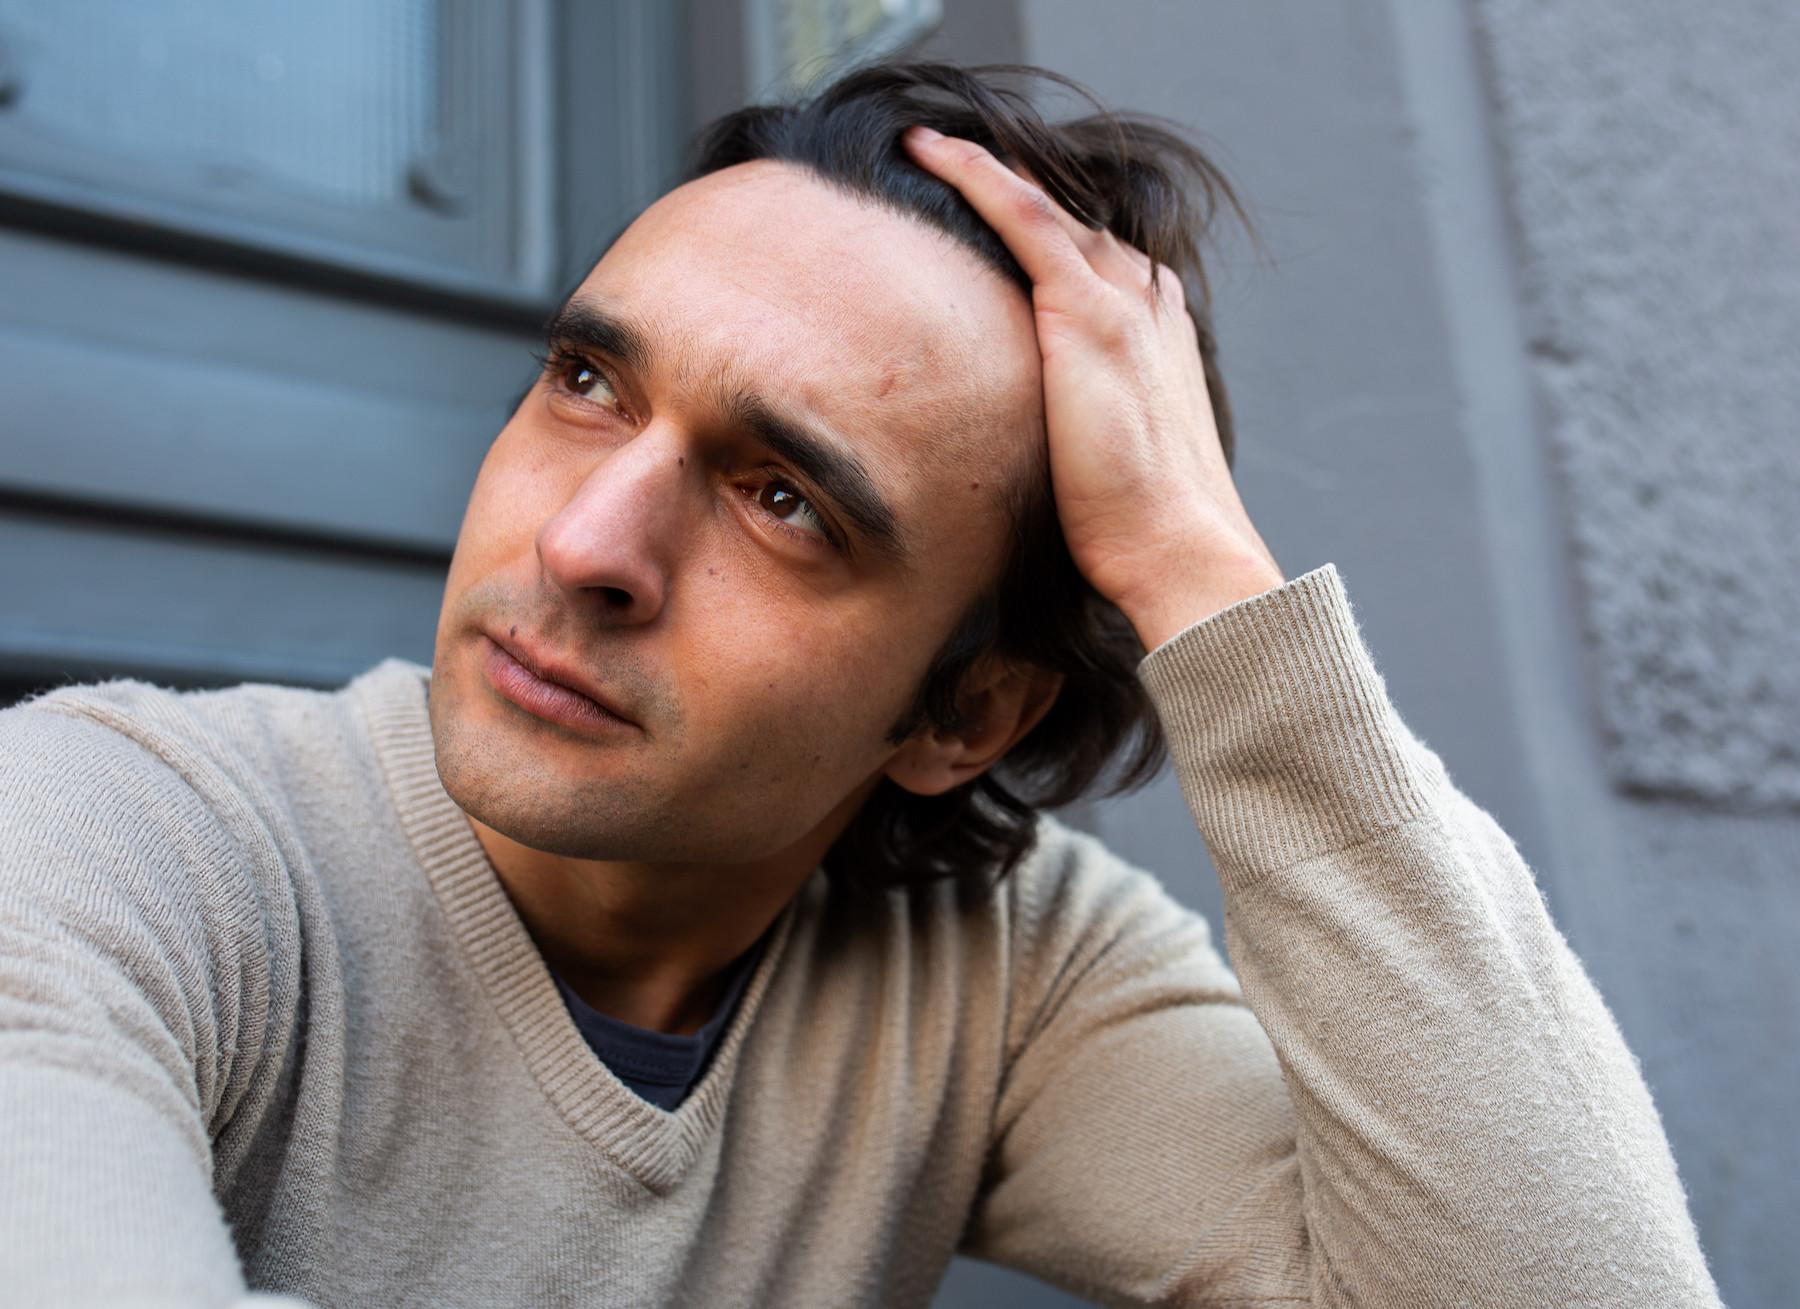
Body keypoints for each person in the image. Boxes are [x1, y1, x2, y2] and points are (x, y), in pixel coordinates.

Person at [0, 63, 1718, 1308]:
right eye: (589, 381)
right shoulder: (108, 834)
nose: (587, 543)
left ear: (964, 718)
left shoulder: (1010, 976)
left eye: (784, 501)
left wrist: (1204, 573)